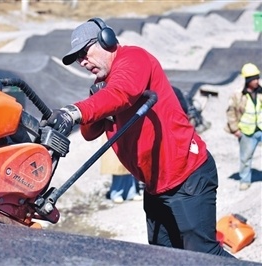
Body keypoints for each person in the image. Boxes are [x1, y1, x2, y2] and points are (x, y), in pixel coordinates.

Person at [43, 18, 233, 257]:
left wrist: (75, 110)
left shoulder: (133, 59)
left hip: (187, 176)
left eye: (84, 53)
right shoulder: (103, 84)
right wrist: (91, 109)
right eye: (78, 58)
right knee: (164, 257)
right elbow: (89, 134)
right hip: (155, 186)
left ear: (107, 40)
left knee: (204, 255)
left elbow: (121, 93)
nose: (82, 62)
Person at [225, 63, 262, 191]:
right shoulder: (238, 94)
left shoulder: (261, 92)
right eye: (254, 79)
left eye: (258, 78)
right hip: (247, 132)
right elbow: (231, 112)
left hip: (260, 128)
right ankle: (245, 180)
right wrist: (235, 129)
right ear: (248, 80)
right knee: (246, 157)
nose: (257, 81)